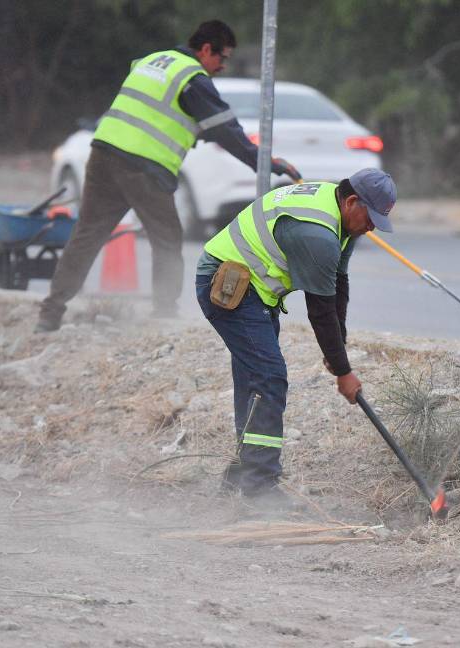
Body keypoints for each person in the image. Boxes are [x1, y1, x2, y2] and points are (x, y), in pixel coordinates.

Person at [36, 19, 300, 332]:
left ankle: (50, 314)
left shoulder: (151, 61)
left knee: (87, 235)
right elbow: (226, 131)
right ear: (205, 50)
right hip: (143, 166)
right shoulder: (193, 77)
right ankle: (164, 311)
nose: (223, 66)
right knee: (167, 237)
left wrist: (193, 132)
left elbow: (156, 112)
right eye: (222, 57)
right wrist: (266, 163)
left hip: (104, 154)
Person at [195, 168, 396, 502]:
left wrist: (338, 351)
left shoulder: (339, 218)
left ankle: (241, 477)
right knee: (269, 378)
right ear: (351, 202)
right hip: (228, 283)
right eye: (370, 217)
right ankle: (259, 488)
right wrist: (344, 372)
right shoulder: (316, 235)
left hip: (257, 292)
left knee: (256, 381)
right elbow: (319, 310)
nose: (372, 227)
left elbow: (337, 284)